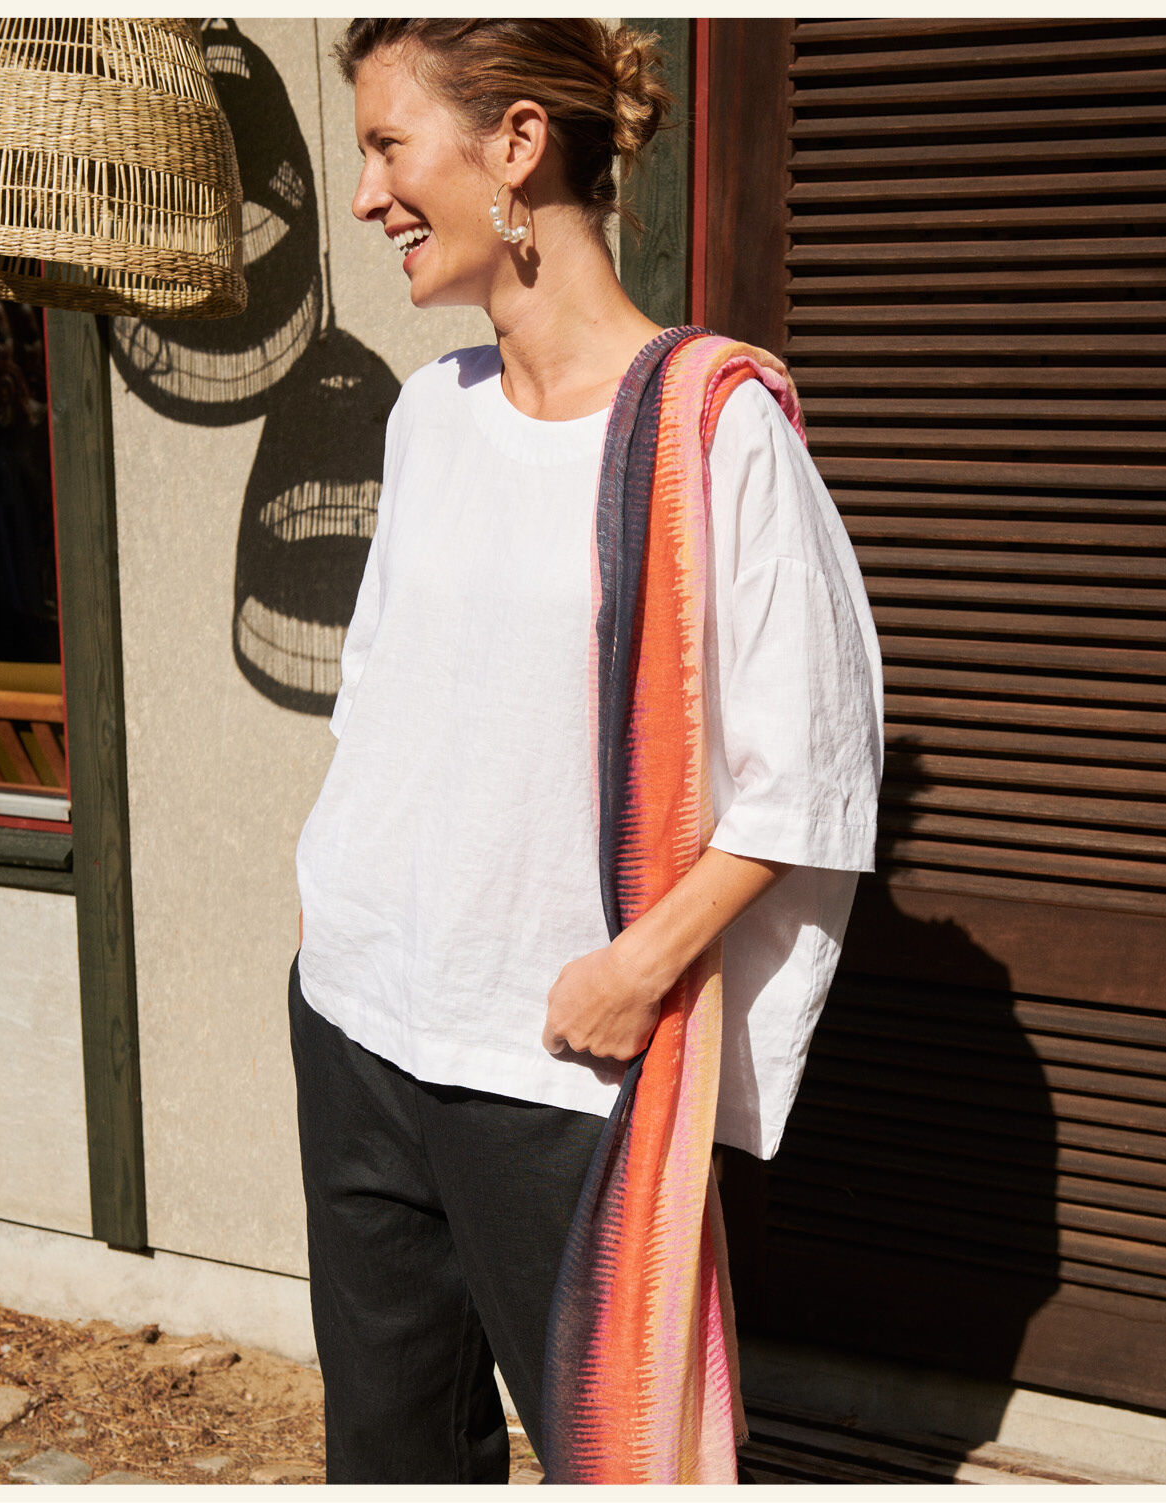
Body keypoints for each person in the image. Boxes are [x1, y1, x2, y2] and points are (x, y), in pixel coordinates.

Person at [289, 18, 883, 1485]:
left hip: (554, 1056)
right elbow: (379, 701)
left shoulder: (713, 429)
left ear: (515, 145)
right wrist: (335, 913)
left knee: (618, 1459)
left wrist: (635, 972)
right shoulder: (430, 415)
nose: (365, 196)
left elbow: (811, 774)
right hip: (358, 1015)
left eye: (387, 145)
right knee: (389, 1454)